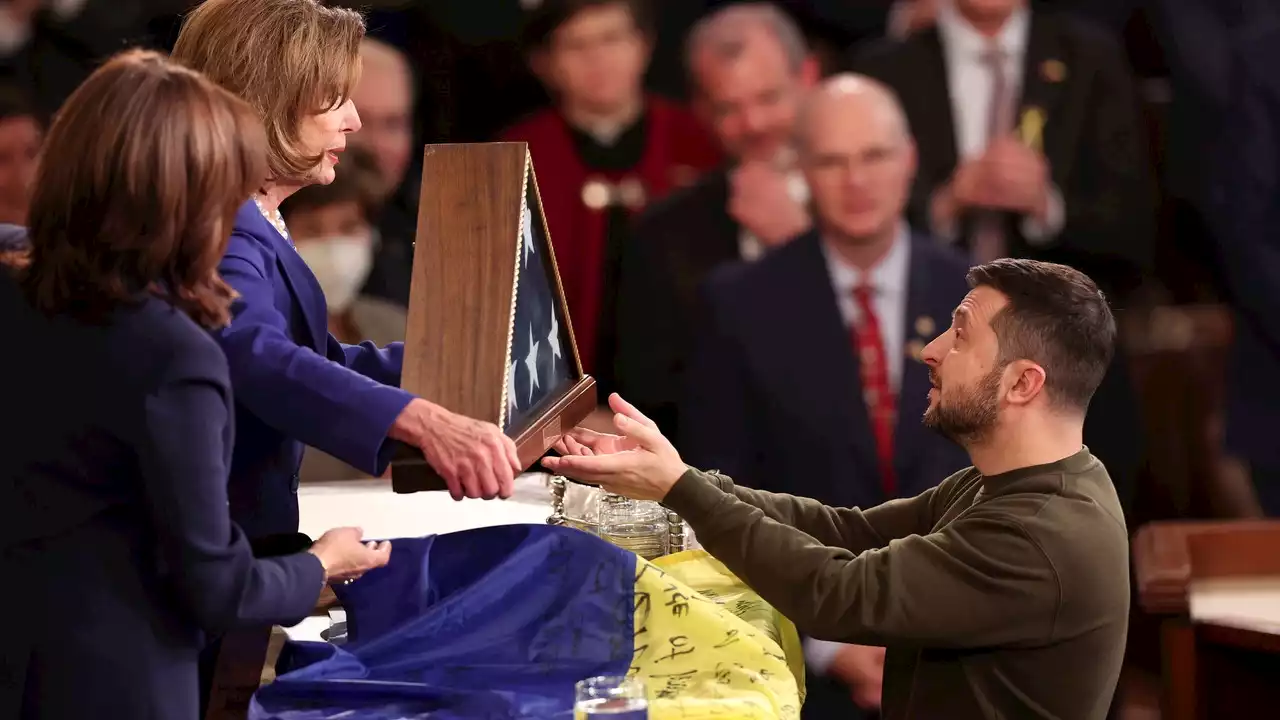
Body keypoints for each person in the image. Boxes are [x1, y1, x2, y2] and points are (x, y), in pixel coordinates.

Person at [546, 258, 1131, 720]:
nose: (930, 351)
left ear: (1023, 383)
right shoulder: (1016, 483)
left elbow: (838, 593)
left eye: (959, 336)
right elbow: (848, 531)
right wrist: (678, 478)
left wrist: (679, 488)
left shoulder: (1038, 535)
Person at [0, 49, 390, 720]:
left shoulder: (12, 277)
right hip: (114, 686)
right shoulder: (173, 354)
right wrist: (320, 565)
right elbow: (216, 588)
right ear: (196, 196)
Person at [169, 0, 521, 545]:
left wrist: (458, 370)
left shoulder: (251, 212)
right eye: (335, 99)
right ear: (267, 103)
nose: (354, 120)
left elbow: (315, 361)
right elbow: (248, 352)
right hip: (213, 562)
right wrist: (418, 420)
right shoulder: (224, 226)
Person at [678, 73, 972, 717]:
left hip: (969, 649)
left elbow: (1017, 489)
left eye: (874, 157)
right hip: (802, 663)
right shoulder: (738, 307)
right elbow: (718, 502)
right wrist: (825, 642)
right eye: (832, 162)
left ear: (910, 159)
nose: (856, 181)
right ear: (800, 172)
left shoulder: (978, 294)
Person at [613, 2, 821, 438]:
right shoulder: (660, 235)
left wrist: (799, 243)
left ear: (808, 78)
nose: (754, 124)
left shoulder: (873, 202)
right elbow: (647, 396)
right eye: (729, 109)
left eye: (769, 97)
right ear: (702, 112)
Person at [499, 0, 720, 394]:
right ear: (544, 62)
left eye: (612, 38)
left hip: (695, 387)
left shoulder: (701, 142)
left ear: (645, 45)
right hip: (552, 395)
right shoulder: (514, 155)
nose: (598, 59)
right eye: (576, 45)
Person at [280, 145, 409, 483]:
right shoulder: (263, 339)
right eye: (312, 230)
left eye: (349, 227)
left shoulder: (396, 326)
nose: (334, 247)